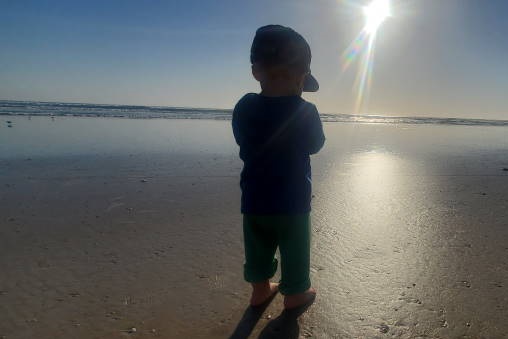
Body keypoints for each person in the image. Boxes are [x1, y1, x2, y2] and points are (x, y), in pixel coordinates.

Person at [232, 25, 325, 309]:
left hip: (254, 197)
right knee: (295, 246)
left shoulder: (245, 106)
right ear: (303, 77)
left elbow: (241, 138)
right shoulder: (305, 111)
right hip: (292, 200)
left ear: (256, 71)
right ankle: (295, 293)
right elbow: (315, 144)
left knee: (257, 244)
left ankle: (260, 290)